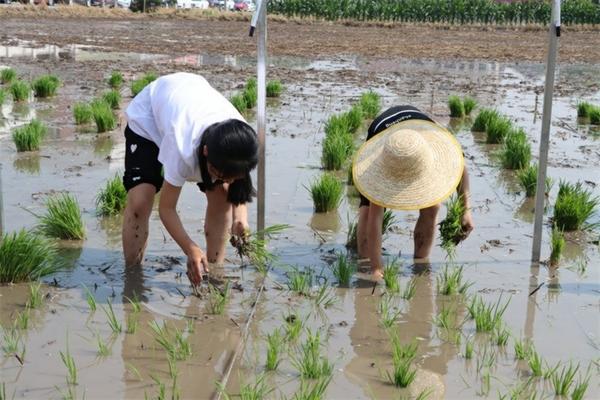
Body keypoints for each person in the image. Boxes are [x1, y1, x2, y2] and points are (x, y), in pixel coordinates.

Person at [122, 72, 259, 287]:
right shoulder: (182, 146)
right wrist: (190, 248)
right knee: (141, 200)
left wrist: (240, 219)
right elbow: (166, 209)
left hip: (190, 100)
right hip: (149, 119)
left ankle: (214, 272)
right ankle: (132, 276)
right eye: (221, 174)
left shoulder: (241, 143)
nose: (225, 179)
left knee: (222, 195)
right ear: (205, 153)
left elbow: (236, 186)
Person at [352, 105, 474, 278]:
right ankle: (364, 262)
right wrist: (376, 268)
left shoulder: (441, 143)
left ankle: (421, 264)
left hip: (418, 138)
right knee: (367, 212)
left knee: (433, 207)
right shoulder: (383, 157)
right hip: (383, 136)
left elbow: (461, 168)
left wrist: (466, 210)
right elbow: (375, 218)